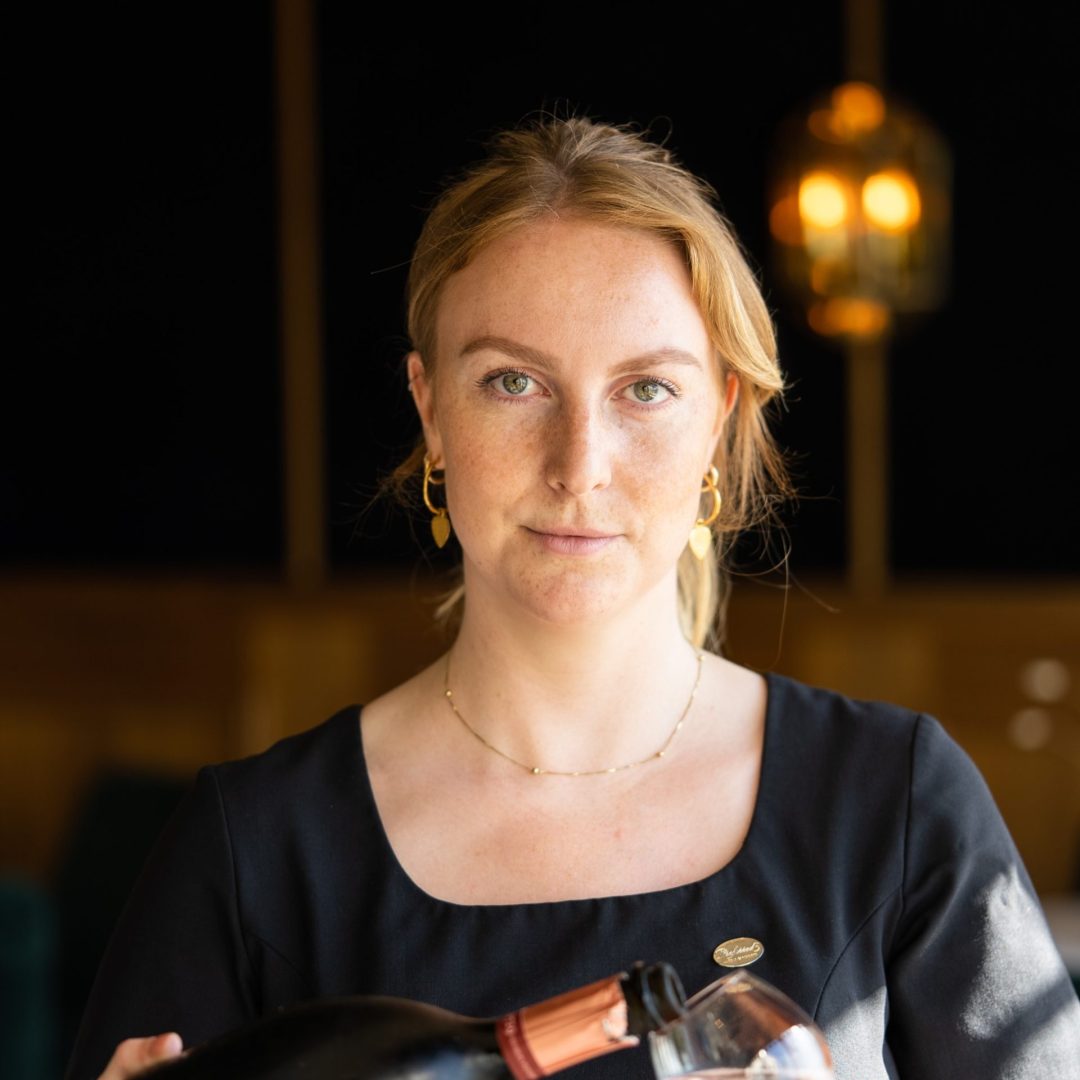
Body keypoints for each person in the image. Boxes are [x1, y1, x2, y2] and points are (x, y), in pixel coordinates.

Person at [70, 116, 1079, 1080]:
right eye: (514, 382)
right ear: (430, 408)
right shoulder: (253, 848)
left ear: (718, 421)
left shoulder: (894, 803)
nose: (580, 464)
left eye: (647, 389)